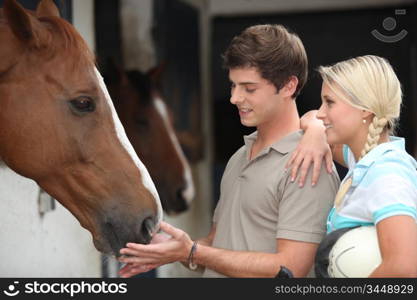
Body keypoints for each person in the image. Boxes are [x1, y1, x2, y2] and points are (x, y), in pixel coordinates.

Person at [117, 24, 339, 278]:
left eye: (249, 88)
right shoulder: (239, 157)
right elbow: (217, 244)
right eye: (233, 85)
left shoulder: (308, 162)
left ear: (288, 86)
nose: (234, 98)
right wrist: (173, 250)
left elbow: (290, 269)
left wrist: (191, 252)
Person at [291, 55, 417, 277]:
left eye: (329, 102)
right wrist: (315, 131)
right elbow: (309, 117)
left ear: (365, 109)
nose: (320, 112)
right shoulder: (364, 158)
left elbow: (404, 267)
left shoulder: (386, 172)